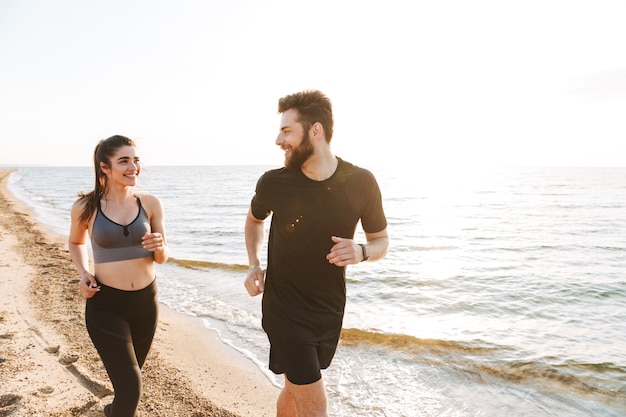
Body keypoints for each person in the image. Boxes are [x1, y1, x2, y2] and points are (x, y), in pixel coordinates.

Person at [244, 90, 389, 416]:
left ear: (315, 131)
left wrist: (362, 251)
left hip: (328, 309)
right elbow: (254, 222)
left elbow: (381, 240)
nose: (278, 139)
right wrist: (254, 265)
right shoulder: (273, 183)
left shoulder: (361, 182)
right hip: (283, 308)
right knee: (315, 404)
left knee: (294, 392)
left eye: (286, 131)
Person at [68, 135, 168, 417]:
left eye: (135, 160)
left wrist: (159, 246)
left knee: (128, 382)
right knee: (131, 389)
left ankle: (113, 410)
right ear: (104, 167)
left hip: (146, 304)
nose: (133, 167)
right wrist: (84, 272)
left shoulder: (150, 203)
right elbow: (75, 242)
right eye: (123, 161)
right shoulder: (86, 207)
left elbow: (161, 257)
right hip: (106, 305)